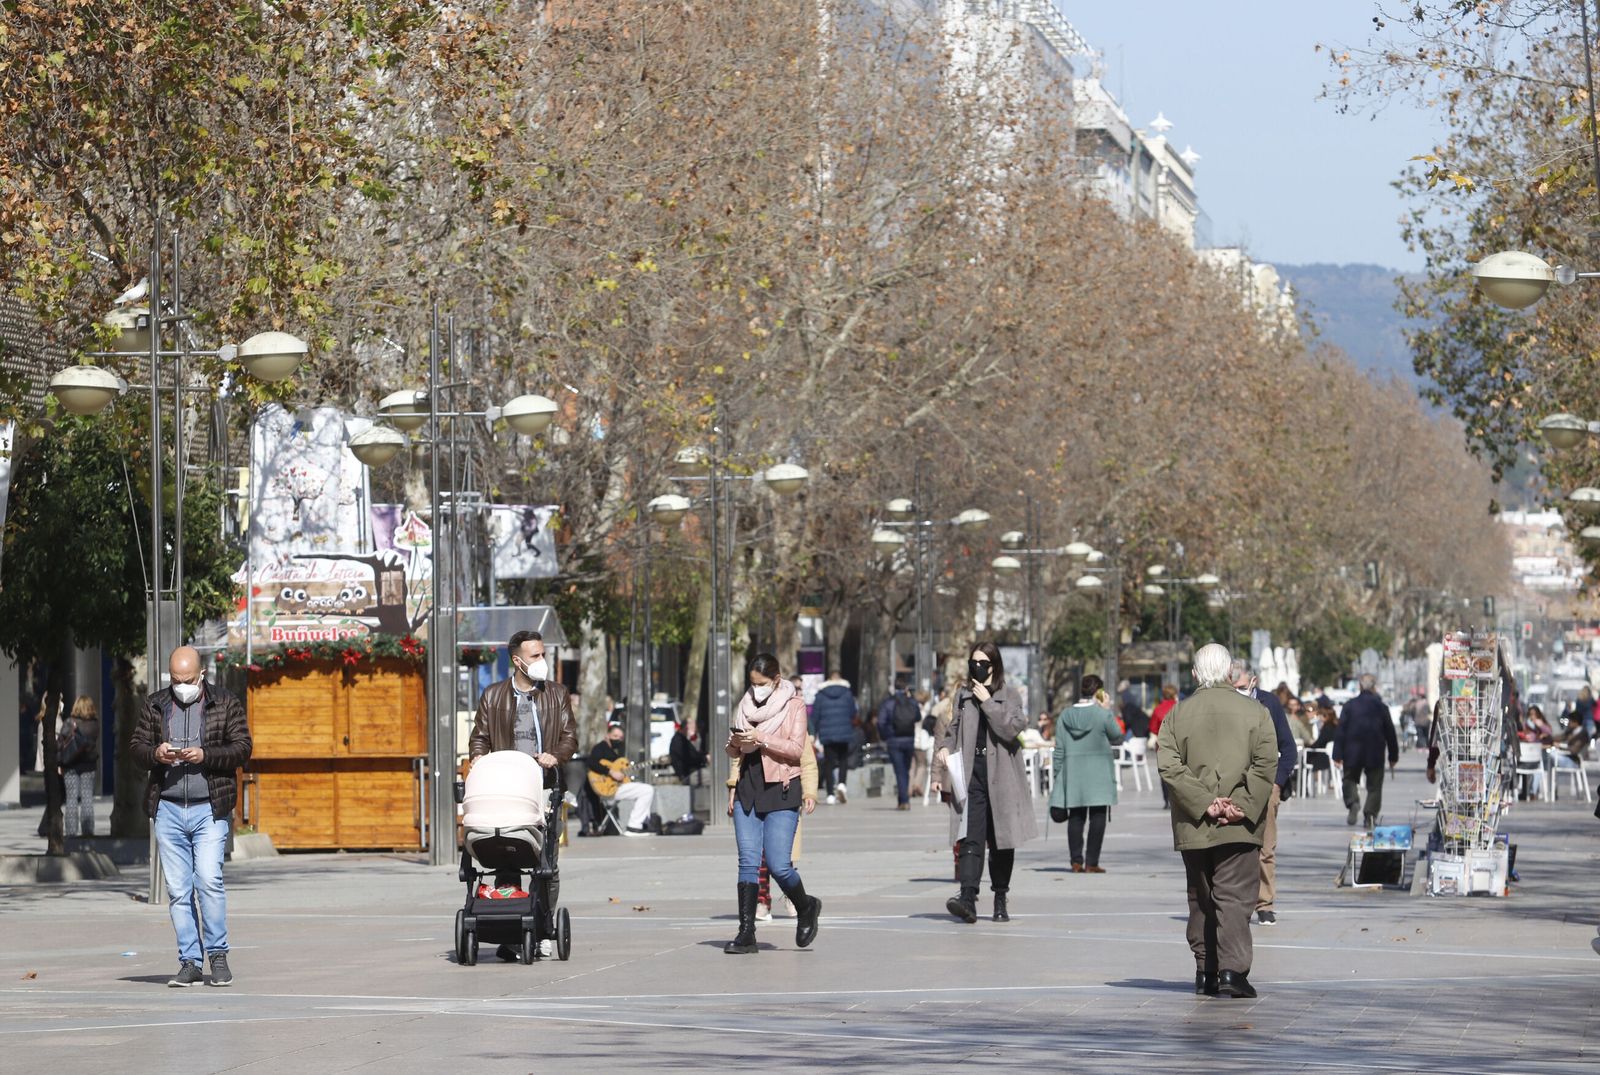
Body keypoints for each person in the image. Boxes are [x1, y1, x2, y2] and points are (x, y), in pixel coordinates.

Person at [1157, 643, 1277, 1000]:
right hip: (1239, 824)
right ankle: (1232, 971)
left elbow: (1169, 764)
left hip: (1194, 823)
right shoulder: (1256, 712)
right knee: (1235, 896)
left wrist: (1204, 803)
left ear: (1194, 674)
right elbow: (1266, 761)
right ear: (1230, 673)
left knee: (1201, 896)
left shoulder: (1176, 715)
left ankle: (1205, 969)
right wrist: (1238, 804)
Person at [129, 646, 252, 988]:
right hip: (168, 808)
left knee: (209, 881)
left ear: (201, 675)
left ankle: (217, 955)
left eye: (187, 680)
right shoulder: (156, 703)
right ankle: (190, 961)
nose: (181, 686)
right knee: (179, 890)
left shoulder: (225, 702)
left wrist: (206, 755)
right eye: (175, 680)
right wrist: (156, 753)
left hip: (210, 808)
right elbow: (136, 748)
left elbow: (243, 747)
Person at [468, 629, 580, 959]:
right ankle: (510, 929)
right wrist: (478, 756)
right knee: (507, 856)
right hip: (507, 788)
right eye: (535, 656)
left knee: (546, 865)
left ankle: (543, 927)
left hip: (545, 788)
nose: (542, 661)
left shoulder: (556, 694)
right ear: (517, 661)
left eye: (543, 654)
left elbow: (570, 738)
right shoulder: (493, 695)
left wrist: (555, 756)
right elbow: (481, 736)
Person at [723, 653, 821, 954]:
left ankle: (806, 907)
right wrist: (736, 745)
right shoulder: (745, 704)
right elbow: (736, 753)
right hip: (748, 789)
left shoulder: (794, 706)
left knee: (779, 865)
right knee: (748, 862)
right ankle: (746, 932)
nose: (756, 689)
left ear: (776, 680)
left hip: (781, 789)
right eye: (752, 684)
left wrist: (762, 738)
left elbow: (795, 749)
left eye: (762, 684)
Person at [934, 642, 1037, 924]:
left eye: (982, 662)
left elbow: (1011, 729)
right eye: (973, 661)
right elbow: (952, 729)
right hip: (972, 774)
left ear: (994, 666)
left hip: (1003, 776)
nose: (976, 667)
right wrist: (945, 746)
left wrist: (988, 704)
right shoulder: (963, 696)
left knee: (1002, 840)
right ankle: (967, 897)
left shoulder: (1009, 694)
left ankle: (1000, 896)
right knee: (970, 836)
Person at [1230, 660, 1296, 927]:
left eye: (1242, 687)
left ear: (1253, 681)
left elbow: (1288, 747)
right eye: (1233, 687)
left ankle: (1265, 903)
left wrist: (1277, 783)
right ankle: (1236, 903)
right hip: (1233, 786)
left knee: (1265, 848)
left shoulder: (1269, 704)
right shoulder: (1226, 706)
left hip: (1266, 786)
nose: (1238, 692)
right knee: (1235, 847)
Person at [1050, 674, 1123, 873]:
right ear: (1099, 692)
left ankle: (1076, 861)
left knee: (1076, 817)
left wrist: (1058, 774)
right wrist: (1107, 710)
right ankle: (1092, 862)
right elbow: (1117, 736)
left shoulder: (1065, 715)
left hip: (1073, 774)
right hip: (1099, 773)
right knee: (1098, 817)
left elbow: (1059, 749)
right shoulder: (1102, 714)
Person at [746, 732, 820, 921]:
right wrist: (732, 786)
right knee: (758, 857)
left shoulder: (794, 720)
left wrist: (810, 792)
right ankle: (762, 901)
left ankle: (793, 896)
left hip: (785, 794)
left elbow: (808, 761)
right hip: (755, 795)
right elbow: (739, 759)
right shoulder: (752, 720)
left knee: (779, 858)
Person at [1333, 672, 1399, 828]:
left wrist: (1337, 754)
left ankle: (1352, 803)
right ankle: (1370, 815)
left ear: (1360, 686)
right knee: (1374, 786)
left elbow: (1341, 730)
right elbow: (1390, 732)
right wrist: (1393, 755)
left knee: (1349, 779)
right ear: (1374, 687)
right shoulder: (1381, 707)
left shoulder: (1349, 706)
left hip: (1352, 752)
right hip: (1375, 753)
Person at [588, 721, 656, 834]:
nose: (618, 739)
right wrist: (610, 772)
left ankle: (643, 824)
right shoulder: (600, 748)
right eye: (615, 736)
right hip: (607, 788)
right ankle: (634, 826)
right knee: (647, 790)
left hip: (617, 785)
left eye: (620, 737)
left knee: (646, 789)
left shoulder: (617, 751)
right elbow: (591, 762)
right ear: (608, 735)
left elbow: (620, 771)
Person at [809, 670, 858, 804]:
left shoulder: (820, 695)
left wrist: (814, 732)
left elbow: (815, 716)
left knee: (829, 762)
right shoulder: (847, 693)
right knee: (843, 759)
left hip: (827, 732)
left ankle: (830, 794)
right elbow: (853, 712)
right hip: (844, 731)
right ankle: (842, 783)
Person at [56, 695, 102, 838]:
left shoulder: (70, 722)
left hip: (70, 765)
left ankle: (71, 832)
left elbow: (60, 744)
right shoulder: (94, 724)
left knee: (71, 799)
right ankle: (88, 831)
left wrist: (59, 763)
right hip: (88, 765)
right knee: (87, 797)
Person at [877, 677, 921, 809]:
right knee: (906, 770)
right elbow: (918, 717)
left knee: (899, 771)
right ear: (906, 688)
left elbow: (880, 722)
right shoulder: (912, 702)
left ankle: (903, 800)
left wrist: (885, 736)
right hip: (909, 740)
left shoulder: (888, 703)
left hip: (893, 741)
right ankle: (904, 799)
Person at [1149, 683, 1179, 808]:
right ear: (1174, 694)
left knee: (1164, 772)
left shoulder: (1158, 709)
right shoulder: (1179, 707)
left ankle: (1166, 800)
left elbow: (1153, 728)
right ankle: (1176, 799)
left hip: (1162, 745)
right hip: (1178, 743)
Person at [910, 689, 935, 796]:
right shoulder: (924, 712)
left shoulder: (911, 709)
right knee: (922, 765)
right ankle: (916, 785)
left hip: (910, 740)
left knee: (911, 766)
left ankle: (909, 789)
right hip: (920, 742)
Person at [669, 717, 708, 784]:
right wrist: (705, 758)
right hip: (688, 775)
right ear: (686, 727)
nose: (695, 728)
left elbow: (695, 754)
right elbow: (691, 757)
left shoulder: (683, 739)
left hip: (692, 772)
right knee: (714, 776)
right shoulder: (679, 741)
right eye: (693, 726)